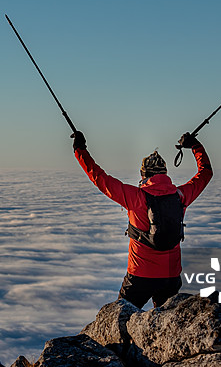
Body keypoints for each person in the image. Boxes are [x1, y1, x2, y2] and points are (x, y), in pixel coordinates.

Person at [72, 131, 213, 308]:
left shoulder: (134, 197)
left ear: (143, 174)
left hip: (139, 274)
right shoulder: (181, 196)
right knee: (167, 325)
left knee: (120, 319)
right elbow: (206, 173)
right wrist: (195, 146)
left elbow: (99, 178)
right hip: (170, 274)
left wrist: (80, 149)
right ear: (165, 172)